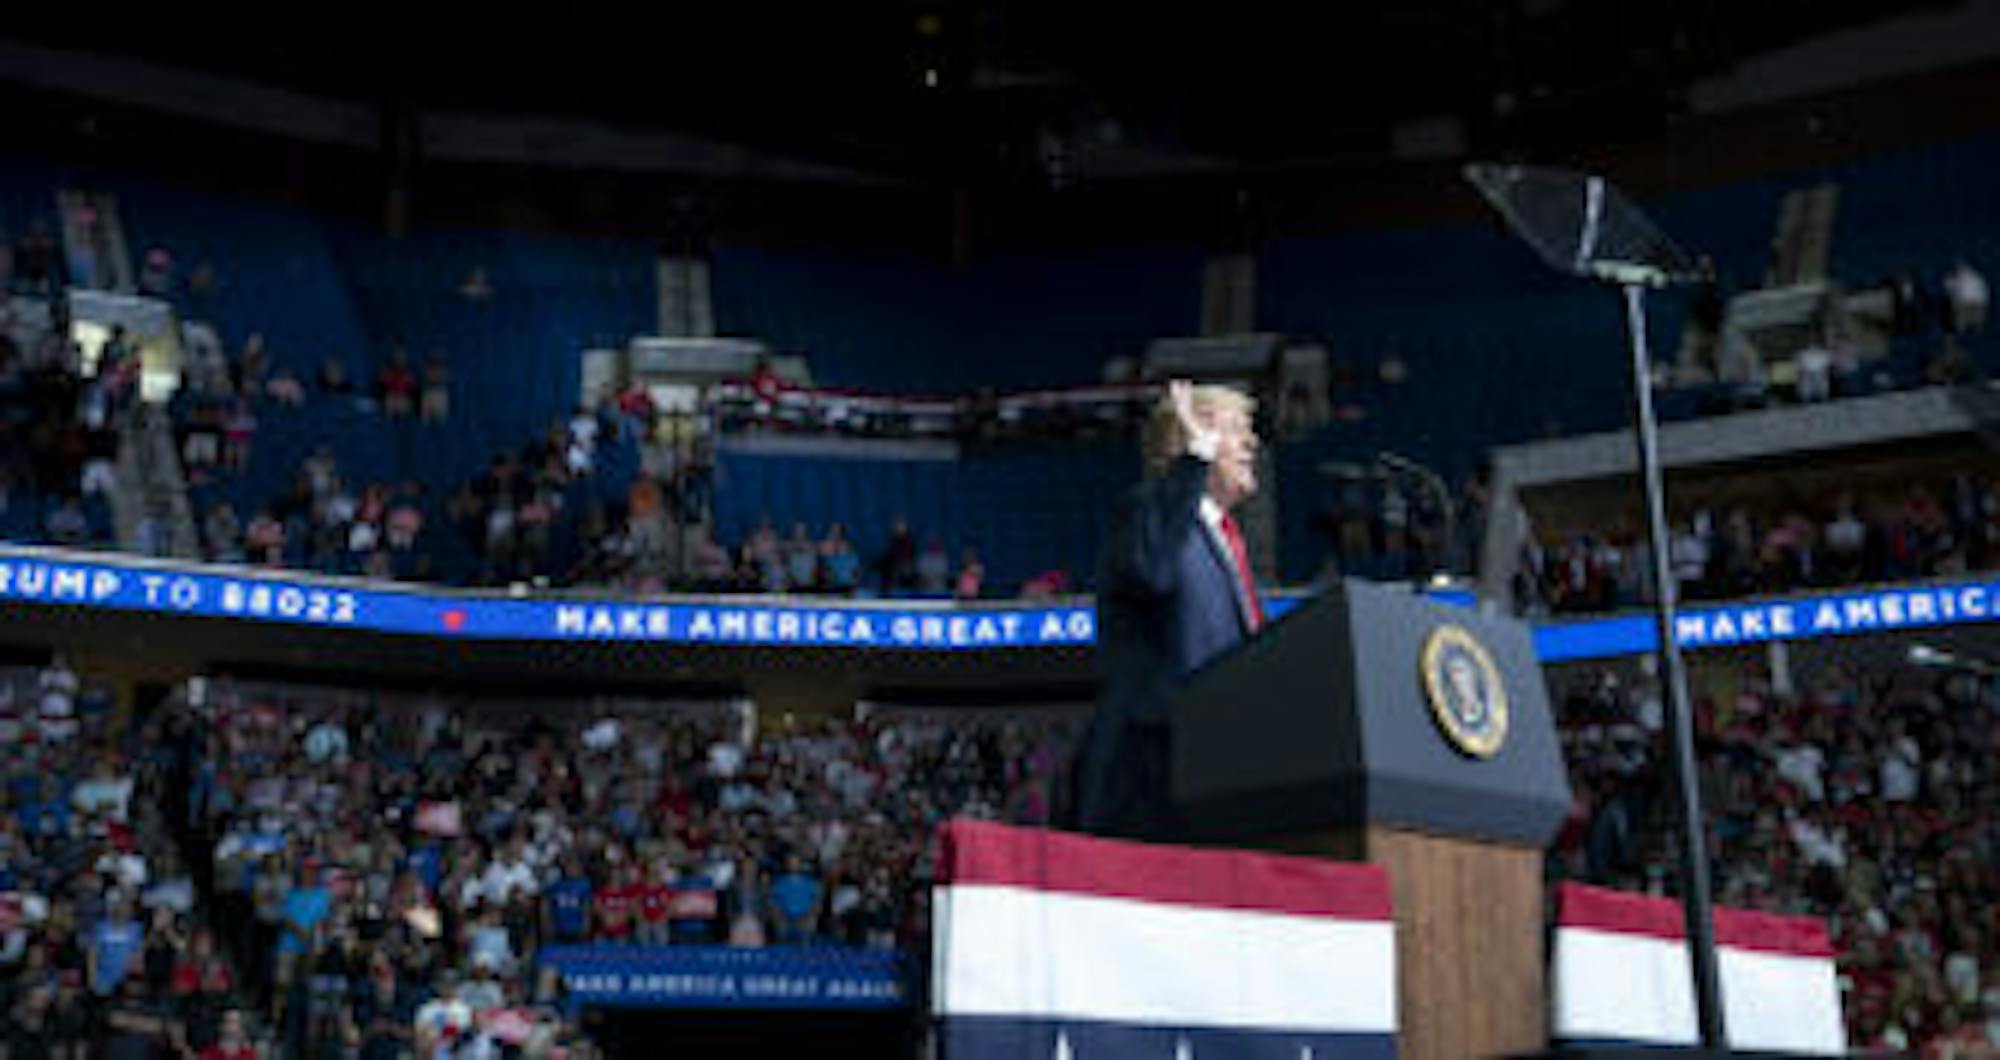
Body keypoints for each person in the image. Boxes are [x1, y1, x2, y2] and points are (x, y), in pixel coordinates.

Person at [1069, 379, 1263, 839]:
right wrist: (1192, 460)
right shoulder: (1146, 511)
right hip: (1153, 773)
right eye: (1236, 430)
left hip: (1213, 767)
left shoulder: (1225, 539)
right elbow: (1151, 572)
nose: (1252, 442)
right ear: (1190, 439)